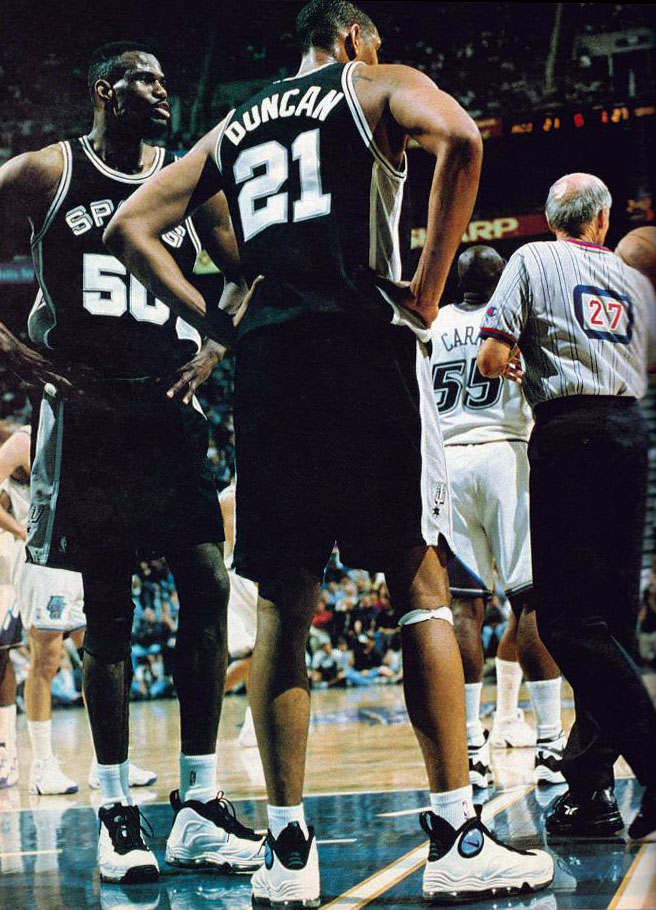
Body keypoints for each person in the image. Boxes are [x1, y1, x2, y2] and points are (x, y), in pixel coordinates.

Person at [105, 2, 554, 904]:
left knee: (282, 604)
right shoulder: (372, 82)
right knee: (420, 586)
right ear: (353, 38)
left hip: (272, 367)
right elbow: (462, 139)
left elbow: (130, 227)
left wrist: (219, 324)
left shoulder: (236, 122)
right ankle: (456, 834)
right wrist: (427, 290)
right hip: (363, 346)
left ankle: (287, 850)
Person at [0, 42, 262, 882]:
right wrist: (12, 349)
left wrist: (215, 346)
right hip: (88, 412)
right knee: (108, 609)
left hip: (167, 407)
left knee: (208, 583)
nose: (162, 90)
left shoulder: (185, 180)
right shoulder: (48, 171)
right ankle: (116, 813)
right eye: (146, 79)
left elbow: (245, 270)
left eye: (165, 80)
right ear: (105, 90)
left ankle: (199, 803)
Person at [478, 172, 656, 839]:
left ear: (552, 218)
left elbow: (491, 357)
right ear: (602, 220)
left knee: (564, 620)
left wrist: (514, 359)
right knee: (612, 622)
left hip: (569, 430)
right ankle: (589, 790)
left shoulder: (531, 259)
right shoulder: (632, 279)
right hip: (630, 432)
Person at [432, 246, 564, 788]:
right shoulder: (512, 321)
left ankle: (471, 750)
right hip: (505, 456)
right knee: (531, 601)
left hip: (448, 462)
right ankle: (550, 744)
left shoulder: (434, 324)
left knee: (465, 610)